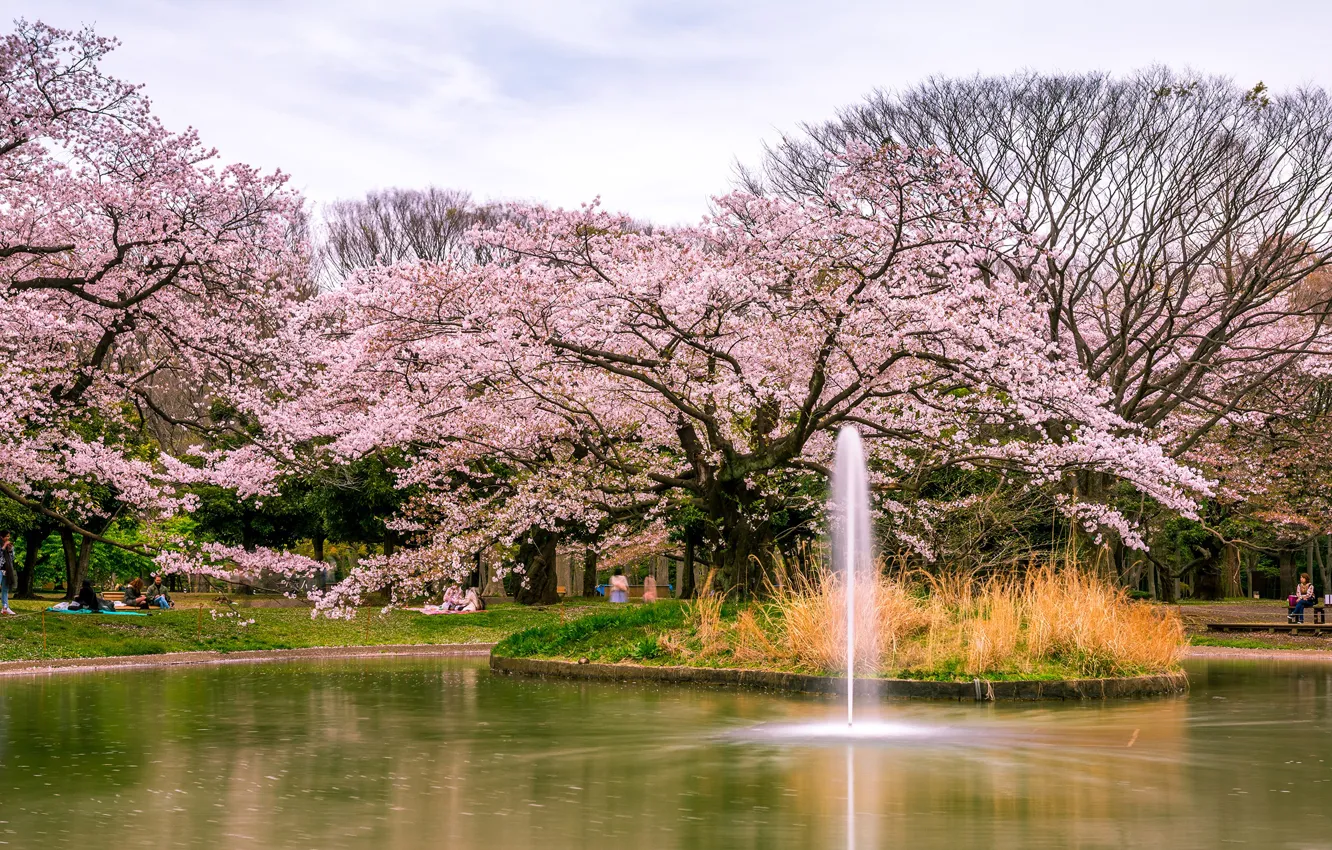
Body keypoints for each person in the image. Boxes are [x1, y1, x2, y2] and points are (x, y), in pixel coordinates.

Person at [0, 533, 16, 616]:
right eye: (6, 536)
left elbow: (12, 558)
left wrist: (10, 550)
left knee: (5, 589)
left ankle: (5, 608)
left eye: (9, 536)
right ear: (1, 537)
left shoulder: (9, 546)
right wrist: (3, 547)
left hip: (6, 570)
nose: (8, 538)